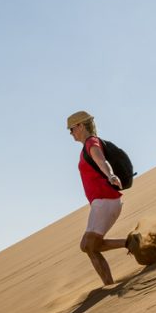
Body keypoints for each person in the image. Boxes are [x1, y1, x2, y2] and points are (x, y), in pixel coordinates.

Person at [67, 110, 128, 286]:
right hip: (103, 202)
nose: (71, 133)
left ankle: (108, 286)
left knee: (89, 246)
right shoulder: (87, 145)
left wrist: (110, 175)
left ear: (80, 126)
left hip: (105, 200)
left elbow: (101, 161)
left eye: (71, 129)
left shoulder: (91, 143)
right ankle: (129, 242)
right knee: (88, 245)